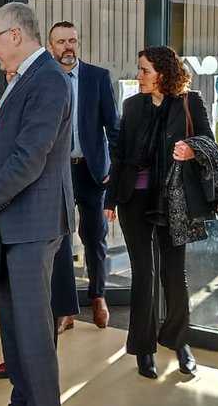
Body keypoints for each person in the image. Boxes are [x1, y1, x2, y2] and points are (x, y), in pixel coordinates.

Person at [0, 2, 73, 406]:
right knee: (13, 330)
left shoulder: (48, 80)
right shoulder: (22, 80)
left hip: (31, 224)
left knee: (34, 336)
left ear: (14, 35)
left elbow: (30, 158)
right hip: (12, 224)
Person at [103, 45, 209, 380]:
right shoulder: (133, 105)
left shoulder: (190, 102)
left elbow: (208, 140)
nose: (139, 76)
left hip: (172, 198)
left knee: (174, 275)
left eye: (144, 70)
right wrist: (109, 200)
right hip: (133, 198)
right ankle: (143, 348)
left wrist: (191, 149)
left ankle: (179, 342)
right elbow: (120, 155)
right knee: (143, 274)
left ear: (162, 73)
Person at [46, 21, 120, 332]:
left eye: (72, 40)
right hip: (57, 172)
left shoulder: (97, 77)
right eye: (61, 41)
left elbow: (113, 127)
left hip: (92, 172)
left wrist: (114, 172)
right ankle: (66, 309)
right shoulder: (44, 80)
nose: (68, 46)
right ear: (51, 48)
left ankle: (98, 296)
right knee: (61, 240)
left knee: (95, 236)